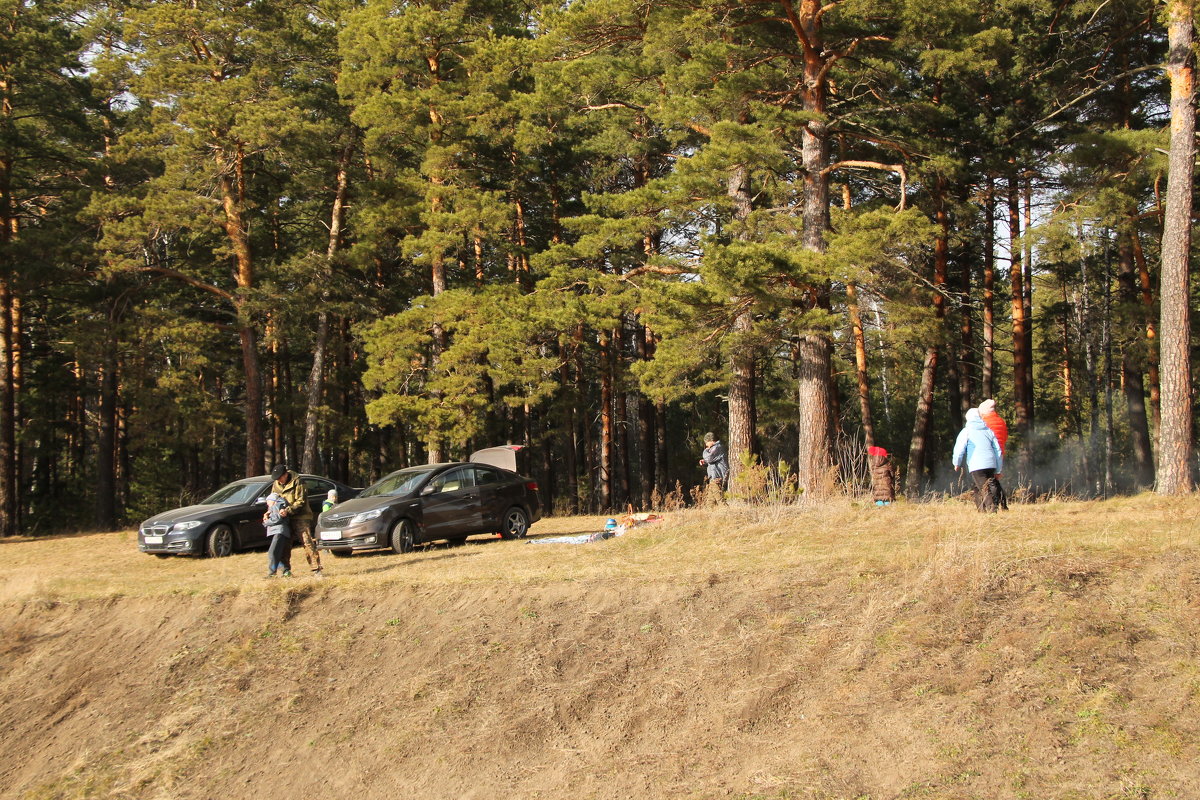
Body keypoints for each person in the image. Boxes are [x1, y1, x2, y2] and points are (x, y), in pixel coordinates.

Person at [270, 464, 322, 577]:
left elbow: (301, 501)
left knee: (307, 542)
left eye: (280, 478)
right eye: (277, 479)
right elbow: (273, 500)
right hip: (285, 518)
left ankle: (316, 569)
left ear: (286, 474)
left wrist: (287, 510)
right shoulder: (276, 484)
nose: (279, 480)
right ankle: (286, 571)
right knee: (285, 544)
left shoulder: (298, 481)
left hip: (301, 516)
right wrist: (270, 512)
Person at [952, 408, 1004, 512]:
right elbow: (998, 450)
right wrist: (998, 469)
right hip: (991, 463)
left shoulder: (967, 431)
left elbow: (959, 448)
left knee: (984, 488)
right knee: (978, 487)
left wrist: (956, 463)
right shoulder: (989, 430)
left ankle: (992, 509)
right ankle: (981, 510)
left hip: (976, 464)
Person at [262, 492, 292, 578]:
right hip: (279, 531)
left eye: (268, 501)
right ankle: (285, 571)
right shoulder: (276, 506)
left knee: (272, 553)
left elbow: (278, 518)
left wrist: (266, 522)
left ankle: (272, 574)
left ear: (273, 500)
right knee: (275, 554)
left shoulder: (276, 505)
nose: (267, 503)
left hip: (279, 531)